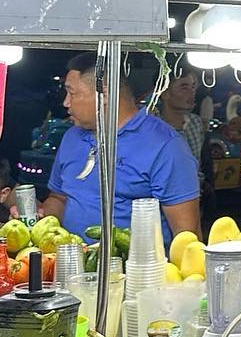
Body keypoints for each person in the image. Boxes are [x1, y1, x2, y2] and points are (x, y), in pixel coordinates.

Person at [39, 53, 200, 246]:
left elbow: (187, 237)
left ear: (104, 95)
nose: (66, 102)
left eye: (72, 93)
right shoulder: (71, 137)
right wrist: (42, 215)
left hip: (135, 265)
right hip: (70, 261)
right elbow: (60, 198)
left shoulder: (166, 146)